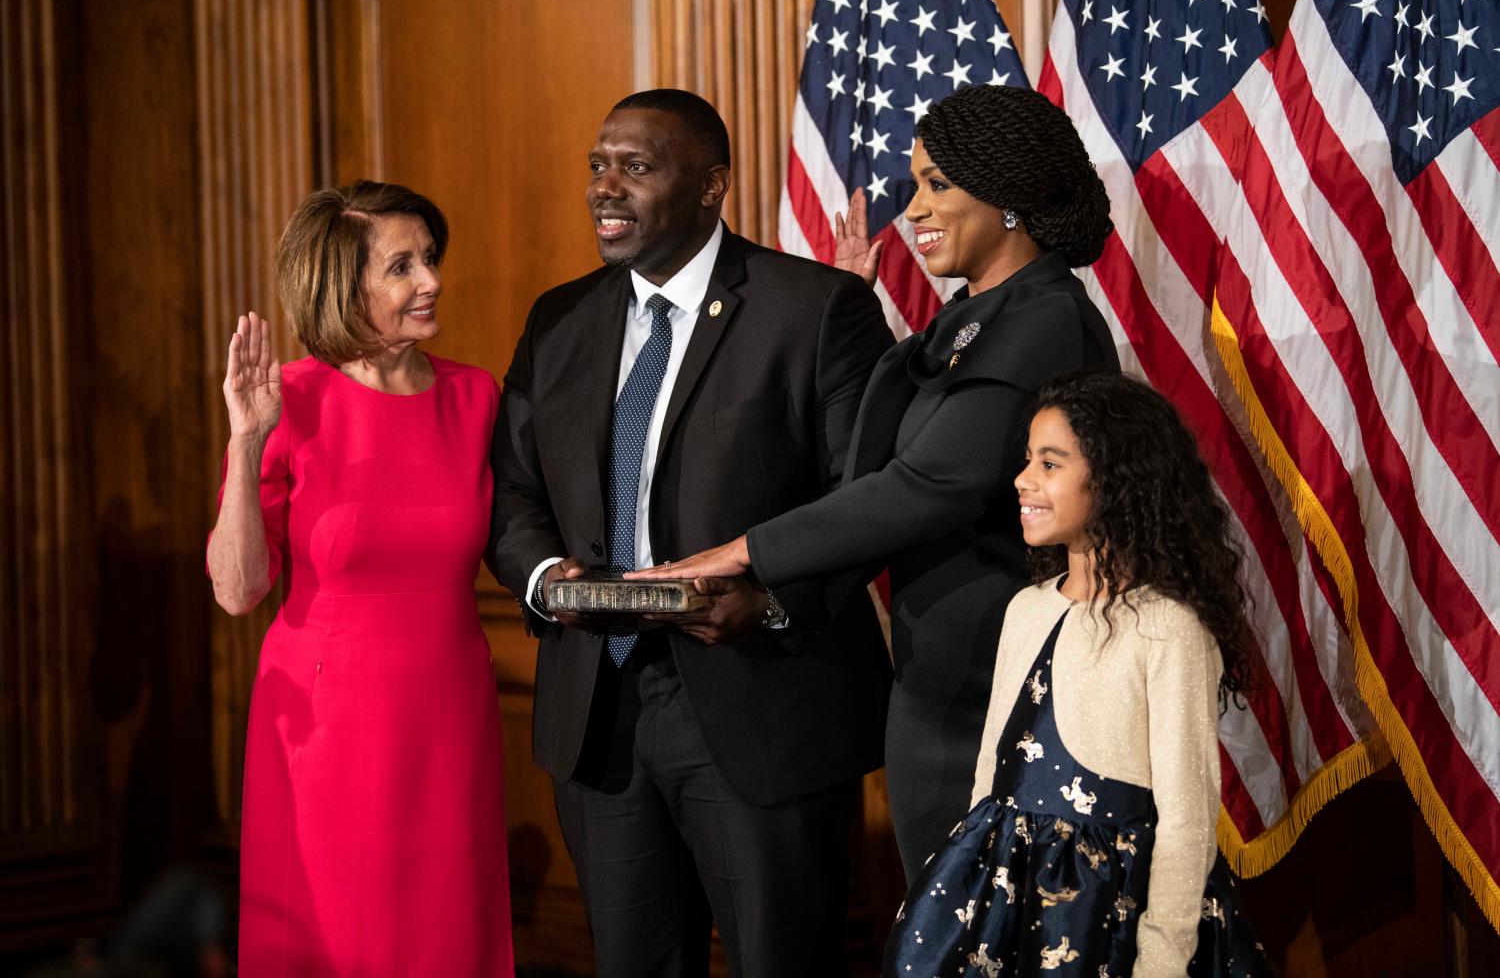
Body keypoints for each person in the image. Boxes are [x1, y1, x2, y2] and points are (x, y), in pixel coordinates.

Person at [632, 85, 1120, 876]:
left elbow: (929, 484)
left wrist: (746, 551)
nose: (914, 208)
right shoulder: (973, 321)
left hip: (1001, 685)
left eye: (938, 185)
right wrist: (849, 308)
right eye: (914, 183)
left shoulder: (1046, 318)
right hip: (943, 675)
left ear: (1005, 198)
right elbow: (878, 450)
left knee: (983, 932)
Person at [485, 89, 893, 977]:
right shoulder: (558, 321)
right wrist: (548, 576)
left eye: (637, 166)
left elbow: (864, 500)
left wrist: (772, 598)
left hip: (761, 705)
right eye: (598, 165)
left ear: (711, 188)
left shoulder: (814, 307)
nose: (606, 187)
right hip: (600, 711)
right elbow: (513, 493)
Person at [206, 182, 513, 975]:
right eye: (402, 266)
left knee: (444, 935)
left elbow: (528, 538)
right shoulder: (289, 400)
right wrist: (245, 443)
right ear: (343, 288)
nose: (431, 281)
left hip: (448, 718)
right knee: (335, 936)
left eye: (430, 258)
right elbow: (239, 589)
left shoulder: (477, 397)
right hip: (324, 726)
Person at [885, 371, 1266, 978]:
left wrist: (1162, 958)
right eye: (1027, 460)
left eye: (1051, 464)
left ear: (1116, 481)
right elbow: (990, 775)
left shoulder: (1168, 628)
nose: (1023, 479)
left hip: (1103, 914)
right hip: (1002, 896)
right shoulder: (1027, 608)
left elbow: (1187, 817)